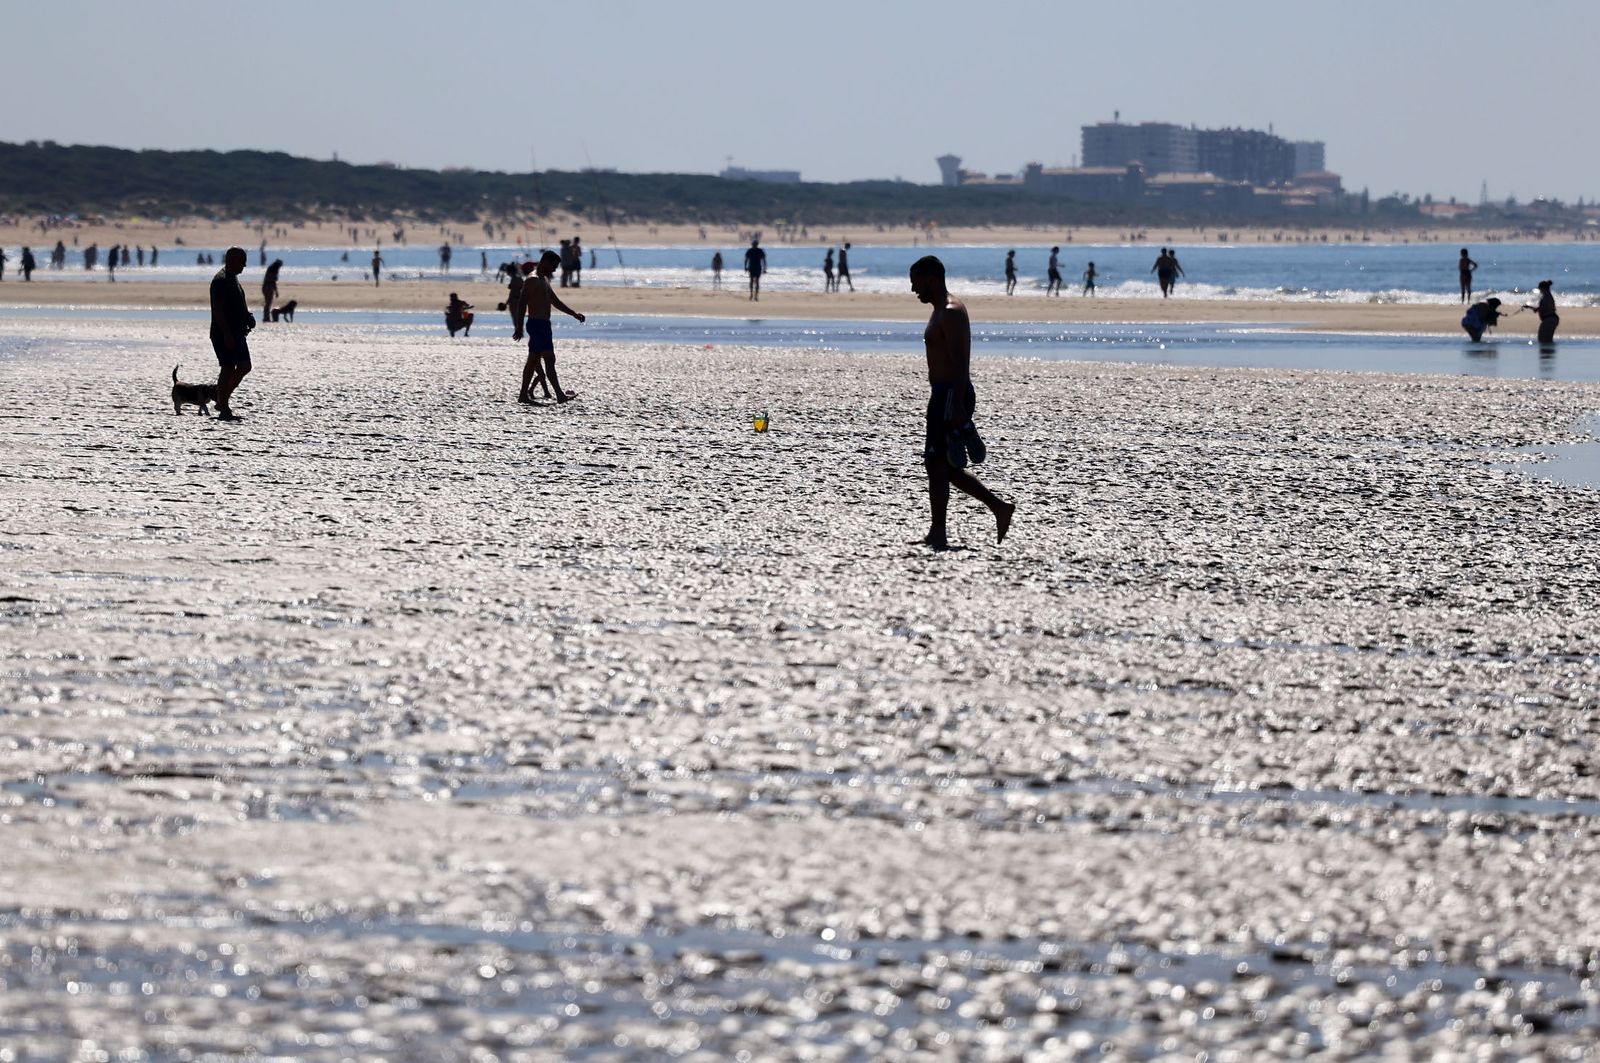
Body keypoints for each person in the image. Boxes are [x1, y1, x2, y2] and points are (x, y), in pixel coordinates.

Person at [908, 255, 1015, 551]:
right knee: (943, 465)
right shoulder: (940, 310)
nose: (914, 290)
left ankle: (942, 532)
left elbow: (960, 364)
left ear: (931, 279)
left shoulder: (951, 312)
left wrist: (955, 407)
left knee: (936, 462)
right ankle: (996, 508)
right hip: (943, 394)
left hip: (950, 394)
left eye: (916, 283)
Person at [511, 250, 585, 404]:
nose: (555, 269)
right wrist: (519, 327)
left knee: (543, 360)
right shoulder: (532, 279)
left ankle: (553, 395)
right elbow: (522, 302)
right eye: (554, 266)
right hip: (536, 324)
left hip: (544, 325)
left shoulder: (543, 279)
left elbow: (555, 301)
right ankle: (531, 395)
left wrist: (574, 314)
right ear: (545, 261)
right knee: (539, 360)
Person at [209, 246, 255, 421]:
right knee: (227, 367)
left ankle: (221, 397)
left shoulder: (233, 279)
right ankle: (223, 405)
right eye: (242, 261)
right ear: (231, 260)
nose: (244, 265)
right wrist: (226, 334)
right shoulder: (220, 280)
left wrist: (248, 317)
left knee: (245, 366)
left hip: (237, 332)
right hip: (223, 333)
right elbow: (218, 311)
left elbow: (237, 305)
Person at [1524, 280, 1559, 344]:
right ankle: (1548, 353)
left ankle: (1545, 353)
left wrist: (1530, 308)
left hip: (1548, 319)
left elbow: (1540, 309)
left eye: (1539, 288)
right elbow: (1543, 308)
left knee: (1542, 340)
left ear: (1542, 288)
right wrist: (1529, 307)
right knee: (1548, 340)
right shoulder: (1548, 296)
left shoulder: (1546, 296)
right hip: (1552, 318)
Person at [261, 258, 283, 323]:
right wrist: (276, 291)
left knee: (267, 303)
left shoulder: (270, 269)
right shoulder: (274, 271)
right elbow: (273, 282)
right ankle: (266, 318)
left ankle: (266, 317)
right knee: (268, 303)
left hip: (265, 287)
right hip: (269, 287)